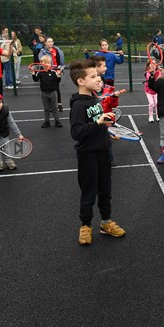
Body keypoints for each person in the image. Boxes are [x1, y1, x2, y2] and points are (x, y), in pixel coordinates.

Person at [69, 59, 125, 246]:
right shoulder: (78, 105)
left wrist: (107, 132)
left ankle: (106, 222)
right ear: (81, 81)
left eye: (98, 75)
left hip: (103, 152)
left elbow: (96, 124)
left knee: (105, 190)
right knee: (89, 193)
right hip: (88, 156)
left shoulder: (94, 98)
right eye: (93, 76)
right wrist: (98, 123)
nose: (98, 78)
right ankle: (85, 226)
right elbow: (76, 133)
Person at [31, 55, 62, 128]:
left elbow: (57, 81)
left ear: (50, 63)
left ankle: (57, 121)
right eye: (43, 62)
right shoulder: (40, 72)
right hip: (44, 93)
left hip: (53, 93)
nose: (45, 64)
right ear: (41, 63)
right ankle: (47, 121)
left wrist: (58, 76)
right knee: (46, 108)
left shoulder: (53, 72)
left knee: (54, 108)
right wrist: (33, 74)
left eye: (47, 62)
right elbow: (36, 79)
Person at [39, 36, 66, 112]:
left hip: (55, 71)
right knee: (50, 89)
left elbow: (60, 61)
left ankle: (59, 104)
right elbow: (41, 60)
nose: (51, 43)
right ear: (45, 43)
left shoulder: (57, 50)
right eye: (49, 42)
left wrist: (60, 68)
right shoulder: (43, 51)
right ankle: (51, 106)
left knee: (57, 88)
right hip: (48, 71)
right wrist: (47, 66)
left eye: (52, 41)